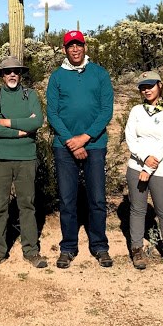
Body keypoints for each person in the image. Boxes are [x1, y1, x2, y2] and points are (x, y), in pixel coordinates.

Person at [46, 30, 114, 269]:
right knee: (67, 199)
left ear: (85, 47)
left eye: (79, 45)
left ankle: (99, 246)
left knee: (96, 198)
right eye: (70, 46)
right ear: (64, 50)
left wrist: (84, 138)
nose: (75, 50)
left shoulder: (100, 74)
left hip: (95, 144)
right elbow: (52, 113)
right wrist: (70, 141)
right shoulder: (57, 77)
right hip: (64, 147)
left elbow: (106, 110)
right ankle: (68, 247)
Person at [0, 56, 46, 269]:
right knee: (0, 204)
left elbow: (37, 121)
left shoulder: (30, 95)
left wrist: (7, 123)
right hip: (0, 158)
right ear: (1, 75)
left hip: (26, 158)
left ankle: (31, 250)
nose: (12, 75)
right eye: (7, 71)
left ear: (21, 74)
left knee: (27, 204)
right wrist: (21, 131)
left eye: (16, 71)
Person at [124, 71, 163, 270]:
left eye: (150, 85)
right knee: (137, 209)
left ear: (160, 85)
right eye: (143, 87)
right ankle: (137, 249)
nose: (147, 90)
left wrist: (149, 166)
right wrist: (143, 158)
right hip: (136, 166)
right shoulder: (136, 111)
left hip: (161, 168)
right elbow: (131, 138)